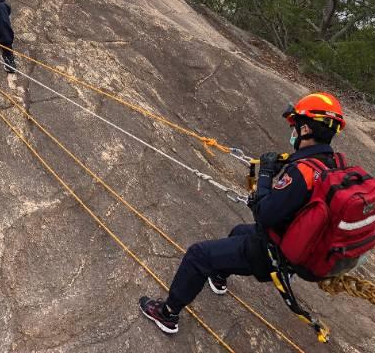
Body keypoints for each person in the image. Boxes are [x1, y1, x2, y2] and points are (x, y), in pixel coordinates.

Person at [139, 92, 348, 335]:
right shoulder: (332, 164)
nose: (293, 131)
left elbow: (264, 214)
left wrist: (266, 176)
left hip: (272, 252)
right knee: (238, 232)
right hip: (297, 246)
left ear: (305, 130)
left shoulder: (302, 173)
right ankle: (218, 277)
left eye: (296, 125)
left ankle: (168, 314)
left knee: (198, 254)